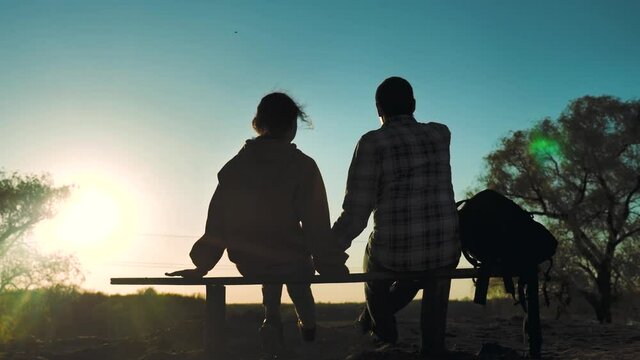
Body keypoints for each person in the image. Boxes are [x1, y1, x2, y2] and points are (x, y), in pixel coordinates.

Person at [167, 92, 348, 357]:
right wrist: (329, 265)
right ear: (292, 127)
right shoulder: (303, 167)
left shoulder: (235, 167)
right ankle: (308, 329)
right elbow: (316, 225)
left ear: (258, 122)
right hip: (292, 261)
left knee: (265, 257)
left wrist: (202, 264)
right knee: (296, 269)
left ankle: (270, 317)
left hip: (250, 263)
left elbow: (217, 223)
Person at [331, 77, 460, 355]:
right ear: (413, 105)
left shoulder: (371, 143)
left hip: (396, 254)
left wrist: (328, 249)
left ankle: (383, 327)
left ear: (378, 110)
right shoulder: (441, 134)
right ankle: (433, 347)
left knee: (377, 257)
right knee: (427, 265)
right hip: (445, 250)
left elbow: (356, 215)